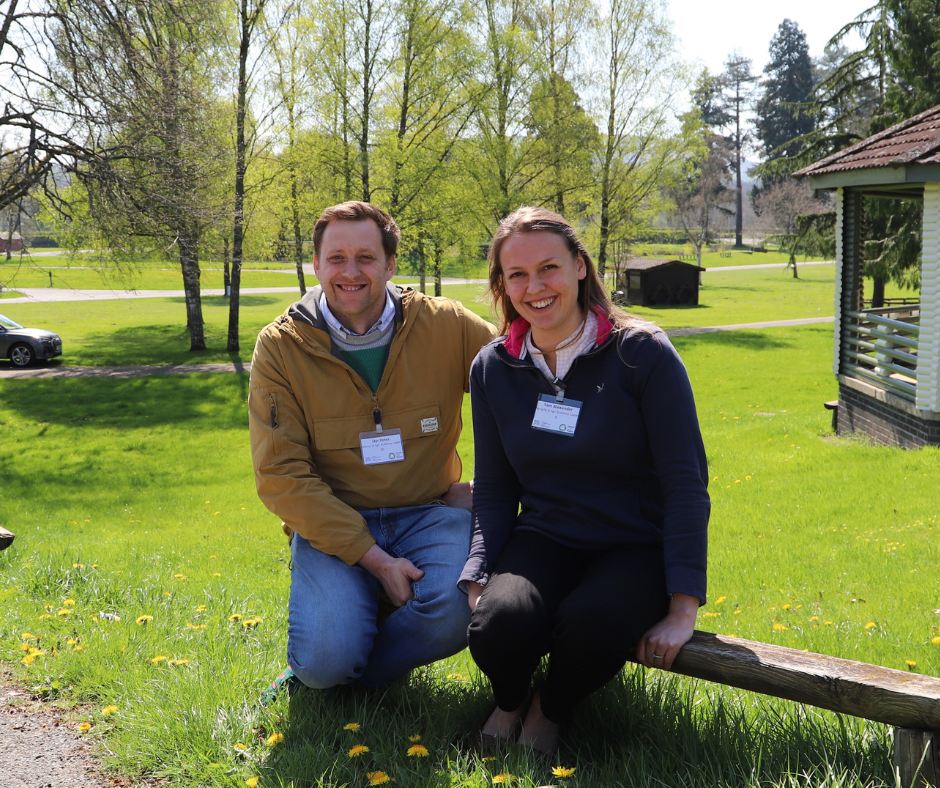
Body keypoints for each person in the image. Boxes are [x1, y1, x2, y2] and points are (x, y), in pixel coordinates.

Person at [458, 207, 710, 755]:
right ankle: (511, 700)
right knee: (497, 624)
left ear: (579, 266)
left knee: (593, 623)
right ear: (502, 285)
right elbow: (495, 486)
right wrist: (478, 570)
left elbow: (686, 484)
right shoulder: (493, 368)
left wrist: (683, 607)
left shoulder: (640, 353)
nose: (534, 287)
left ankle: (551, 708)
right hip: (546, 536)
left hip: (634, 542)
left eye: (548, 267)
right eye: (517, 275)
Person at [249, 201, 496, 698]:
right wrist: (375, 560)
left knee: (459, 610)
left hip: (429, 511)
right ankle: (327, 669)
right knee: (324, 660)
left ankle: (353, 680)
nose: (351, 272)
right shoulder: (281, 347)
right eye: (336, 258)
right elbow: (281, 475)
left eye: (366, 257)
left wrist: (490, 490)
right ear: (316, 264)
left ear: (390, 264)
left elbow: (521, 385)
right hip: (334, 522)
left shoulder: (448, 325)